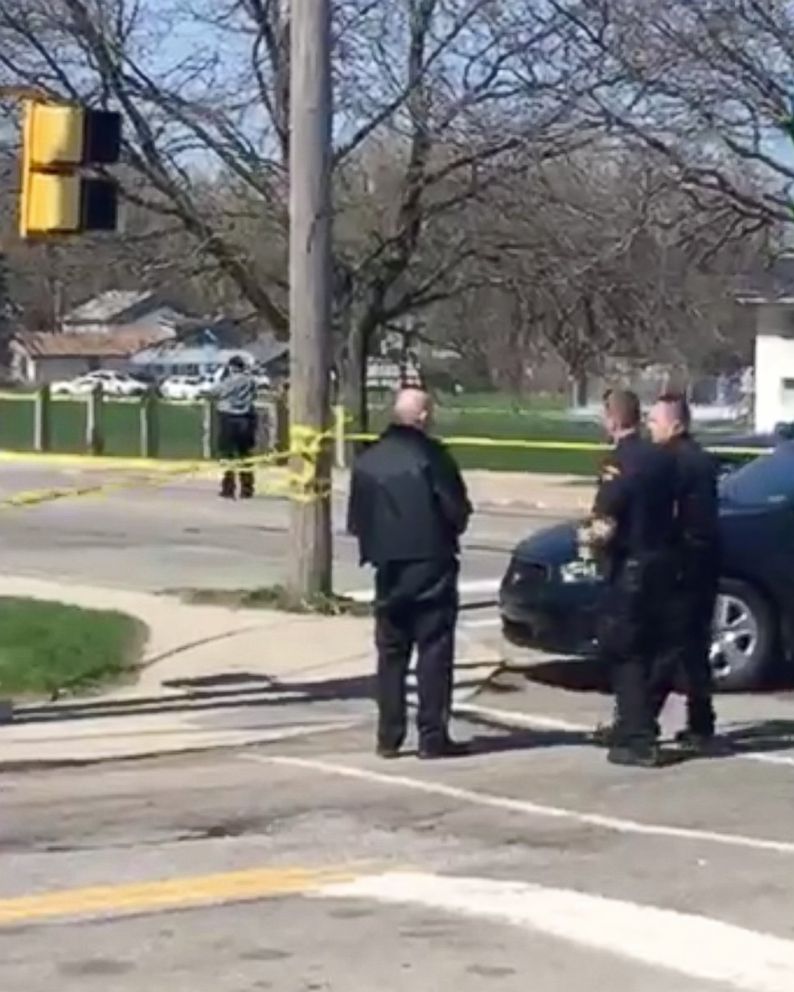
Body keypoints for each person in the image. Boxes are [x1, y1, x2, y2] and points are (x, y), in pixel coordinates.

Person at [347, 388, 472, 760]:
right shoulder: (433, 457)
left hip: (387, 567)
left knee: (391, 655)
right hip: (431, 562)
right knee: (433, 651)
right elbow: (457, 509)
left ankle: (389, 736)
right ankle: (432, 736)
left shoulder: (367, 460)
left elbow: (356, 521)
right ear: (421, 416)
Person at [583, 389, 678, 767]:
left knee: (626, 653)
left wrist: (587, 541)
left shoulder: (618, 463)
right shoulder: (662, 459)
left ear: (613, 420)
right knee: (654, 650)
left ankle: (638, 740)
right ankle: (634, 725)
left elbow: (605, 520)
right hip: (663, 563)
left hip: (630, 568)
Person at [647, 393, 720, 752]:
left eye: (655, 421)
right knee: (693, 649)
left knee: (666, 645)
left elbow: (668, 517)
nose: (650, 427)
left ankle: (642, 721)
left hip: (681, 565)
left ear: (675, 424)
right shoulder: (702, 461)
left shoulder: (672, 462)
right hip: (703, 564)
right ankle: (701, 724)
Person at [215, 356, 257, 499]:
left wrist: (221, 376)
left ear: (231, 367)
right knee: (245, 455)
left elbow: (214, 391)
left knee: (228, 455)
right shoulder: (250, 381)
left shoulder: (228, 381)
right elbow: (254, 395)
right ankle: (247, 488)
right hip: (246, 419)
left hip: (228, 418)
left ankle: (228, 487)